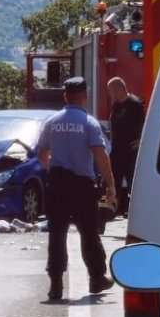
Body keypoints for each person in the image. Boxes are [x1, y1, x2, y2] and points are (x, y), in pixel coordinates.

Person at [38, 77, 117, 301]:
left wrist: (53, 170)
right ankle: (96, 278)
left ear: (65, 96)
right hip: (82, 186)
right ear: (84, 96)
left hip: (57, 185)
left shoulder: (51, 122)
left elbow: (42, 155)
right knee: (89, 233)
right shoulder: (89, 123)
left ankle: (55, 285)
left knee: (57, 234)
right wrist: (110, 185)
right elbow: (101, 156)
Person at [107, 77, 145, 216]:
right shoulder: (116, 105)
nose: (110, 94)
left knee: (132, 182)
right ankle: (111, 210)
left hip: (131, 151)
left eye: (111, 90)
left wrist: (139, 141)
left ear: (119, 89)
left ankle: (135, 211)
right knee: (113, 180)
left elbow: (143, 125)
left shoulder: (135, 104)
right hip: (117, 150)